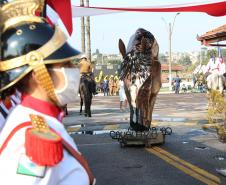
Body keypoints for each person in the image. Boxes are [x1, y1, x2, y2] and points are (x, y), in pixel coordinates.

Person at [0, 1, 95, 185]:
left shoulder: (44, 121)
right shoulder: (30, 140)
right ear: (38, 74)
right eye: (64, 64)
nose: (73, 69)